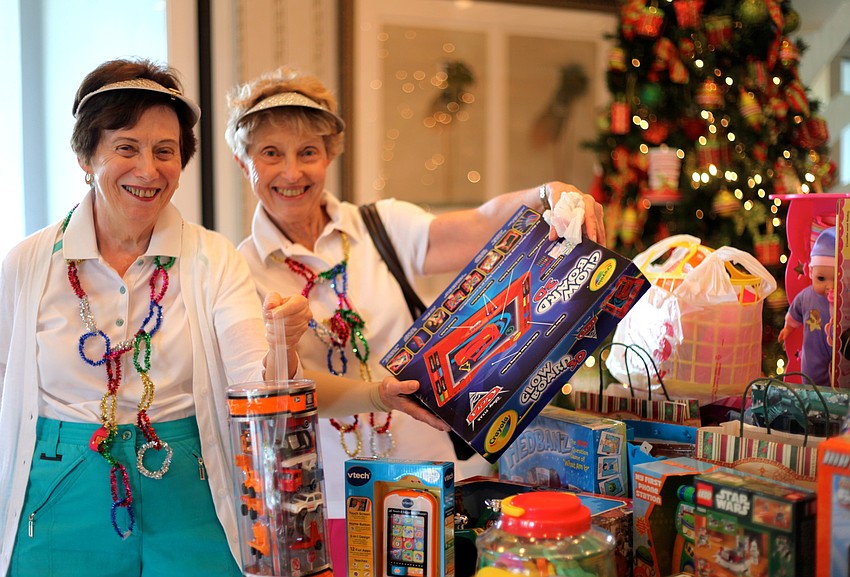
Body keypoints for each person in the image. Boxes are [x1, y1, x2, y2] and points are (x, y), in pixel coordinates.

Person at [0, 58, 448, 577]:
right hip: (59, 492)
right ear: (86, 155)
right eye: (126, 147)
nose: (148, 169)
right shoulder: (27, 263)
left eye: (165, 152)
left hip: (189, 486)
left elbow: (257, 385)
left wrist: (281, 341)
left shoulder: (213, 258)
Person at [225, 66, 607, 569]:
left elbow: (483, 223)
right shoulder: (238, 271)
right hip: (333, 502)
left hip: (435, 481)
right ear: (242, 160)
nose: (292, 173)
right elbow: (277, 391)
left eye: (308, 153)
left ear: (330, 155)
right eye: (270, 153)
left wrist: (546, 194)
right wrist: (355, 382)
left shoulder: (382, 226)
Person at [779, 226, 836, 388]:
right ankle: (815, 402)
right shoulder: (807, 296)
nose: (829, 286)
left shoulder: (845, 297)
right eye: (821, 278)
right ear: (811, 273)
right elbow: (795, 311)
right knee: (811, 374)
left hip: (841, 349)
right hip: (814, 347)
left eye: (836, 279)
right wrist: (788, 327)